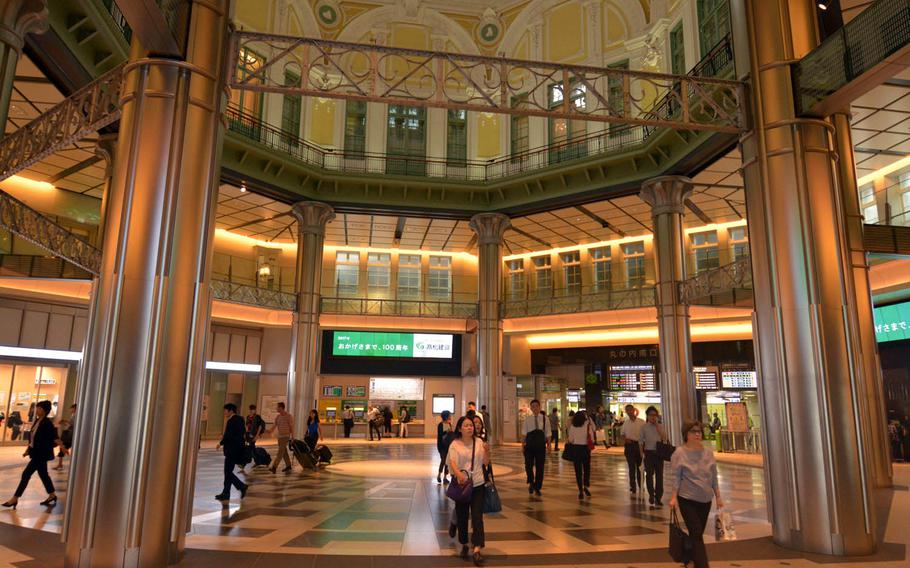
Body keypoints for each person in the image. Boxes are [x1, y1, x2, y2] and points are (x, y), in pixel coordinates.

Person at [670, 420, 723, 568]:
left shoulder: (707, 453)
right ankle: (702, 565)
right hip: (687, 499)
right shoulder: (679, 453)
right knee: (696, 533)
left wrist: (718, 497)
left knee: (697, 534)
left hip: (705, 499)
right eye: (693, 431)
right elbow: (676, 476)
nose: (697, 434)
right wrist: (674, 497)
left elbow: (713, 476)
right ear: (686, 434)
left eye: (699, 431)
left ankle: (690, 558)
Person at [2, 400, 64, 509]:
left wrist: (62, 447)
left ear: (45, 410)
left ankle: (15, 498)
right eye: (37, 408)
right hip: (36, 452)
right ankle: (52, 495)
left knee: (26, 474)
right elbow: (33, 438)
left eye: (39, 408)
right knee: (43, 475)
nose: (37, 410)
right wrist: (28, 450)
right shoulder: (37, 421)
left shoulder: (47, 423)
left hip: (41, 454)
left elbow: (54, 437)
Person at [447, 415, 491, 565]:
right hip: (462, 486)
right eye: (465, 425)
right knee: (462, 516)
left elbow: (485, 463)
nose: (469, 427)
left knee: (477, 517)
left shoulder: (479, 442)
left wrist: (487, 451)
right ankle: (464, 542)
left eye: (471, 425)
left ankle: (477, 548)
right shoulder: (455, 444)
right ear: (459, 428)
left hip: (478, 484)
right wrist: (458, 474)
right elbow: (452, 462)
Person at [215, 403, 249, 501]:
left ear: (231, 411)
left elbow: (228, 435)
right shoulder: (240, 419)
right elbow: (241, 434)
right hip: (238, 449)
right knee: (228, 472)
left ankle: (242, 486)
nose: (224, 413)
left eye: (225, 410)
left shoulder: (231, 421)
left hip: (231, 450)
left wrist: (221, 443)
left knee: (227, 472)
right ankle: (226, 493)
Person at [640, 406, 667, 507]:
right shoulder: (644, 427)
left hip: (659, 454)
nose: (653, 417)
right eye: (651, 415)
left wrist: (657, 426)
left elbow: (664, 438)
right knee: (649, 475)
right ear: (647, 416)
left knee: (659, 476)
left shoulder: (660, 426)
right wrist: (641, 453)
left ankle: (658, 497)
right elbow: (640, 442)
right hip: (649, 453)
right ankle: (651, 495)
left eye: (655, 415)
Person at [522, 399, 549, 496]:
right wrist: (522, 445)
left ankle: (538, 487)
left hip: (540, 445)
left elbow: (548, 433)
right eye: (532, 406)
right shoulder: (527, 419)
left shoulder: (545, 418)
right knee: (528, 465)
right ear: (531, 408)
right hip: (529, 444)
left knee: (540, 466)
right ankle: (531, 482)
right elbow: (524, 433)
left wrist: (549, 446)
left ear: (539, 407)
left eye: (536, 406)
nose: (535, 408)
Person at [566, 409, 593, 499]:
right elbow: (593, 433)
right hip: (585, 449)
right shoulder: (587, 425)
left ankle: (580, 489)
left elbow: (570, 440)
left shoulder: (573, 426)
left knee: (578, 471)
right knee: (586, 469)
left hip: (576, 449)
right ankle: (586, 486)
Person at [620, 404, 643, 494]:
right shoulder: (626, 423)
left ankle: (641, 485)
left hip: (639, 446)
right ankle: (633, 486)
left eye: (630, 410)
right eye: (627, 411)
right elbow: (622, 434)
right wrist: (625, 439)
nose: (629, 412)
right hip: (629, 447)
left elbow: (645, 435)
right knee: (631, 467)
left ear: (634, 410)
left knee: (640, 467)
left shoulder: (641, 422)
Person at [267, 402, 294, 473]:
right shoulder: (278, 417)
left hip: (286, 436)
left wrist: (292, 437)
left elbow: (291, 427)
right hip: (280, 437)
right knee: (284, 452)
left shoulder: (289, 416)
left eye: (277, 407)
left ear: (281, 408)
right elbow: (274, 426)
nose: (276, 408)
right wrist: (269, 431)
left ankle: (274, 467)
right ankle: (288, 466)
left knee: (280, 452)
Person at [55, 404, 77, 471]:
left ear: (74, 409)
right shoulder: (73, 416)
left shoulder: (75, 416)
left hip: (70, 435)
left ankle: (60, 464)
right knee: (62, 448)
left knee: (63, 447)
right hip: (70, 434)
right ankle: (60, 464)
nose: (70, 410)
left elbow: (72, 425)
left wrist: (65, 422)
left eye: (71, 408)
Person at [436, 410, 454, 483]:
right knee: (443, 460)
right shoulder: (440, 424)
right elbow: (440, 435)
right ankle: (439, 475)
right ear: (446, 416)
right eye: (449, 415)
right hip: (442, 446)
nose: (450, 416)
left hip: (449, 445)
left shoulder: (449, 424)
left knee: (447, 461)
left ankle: (445, 477)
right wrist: (447, 431)